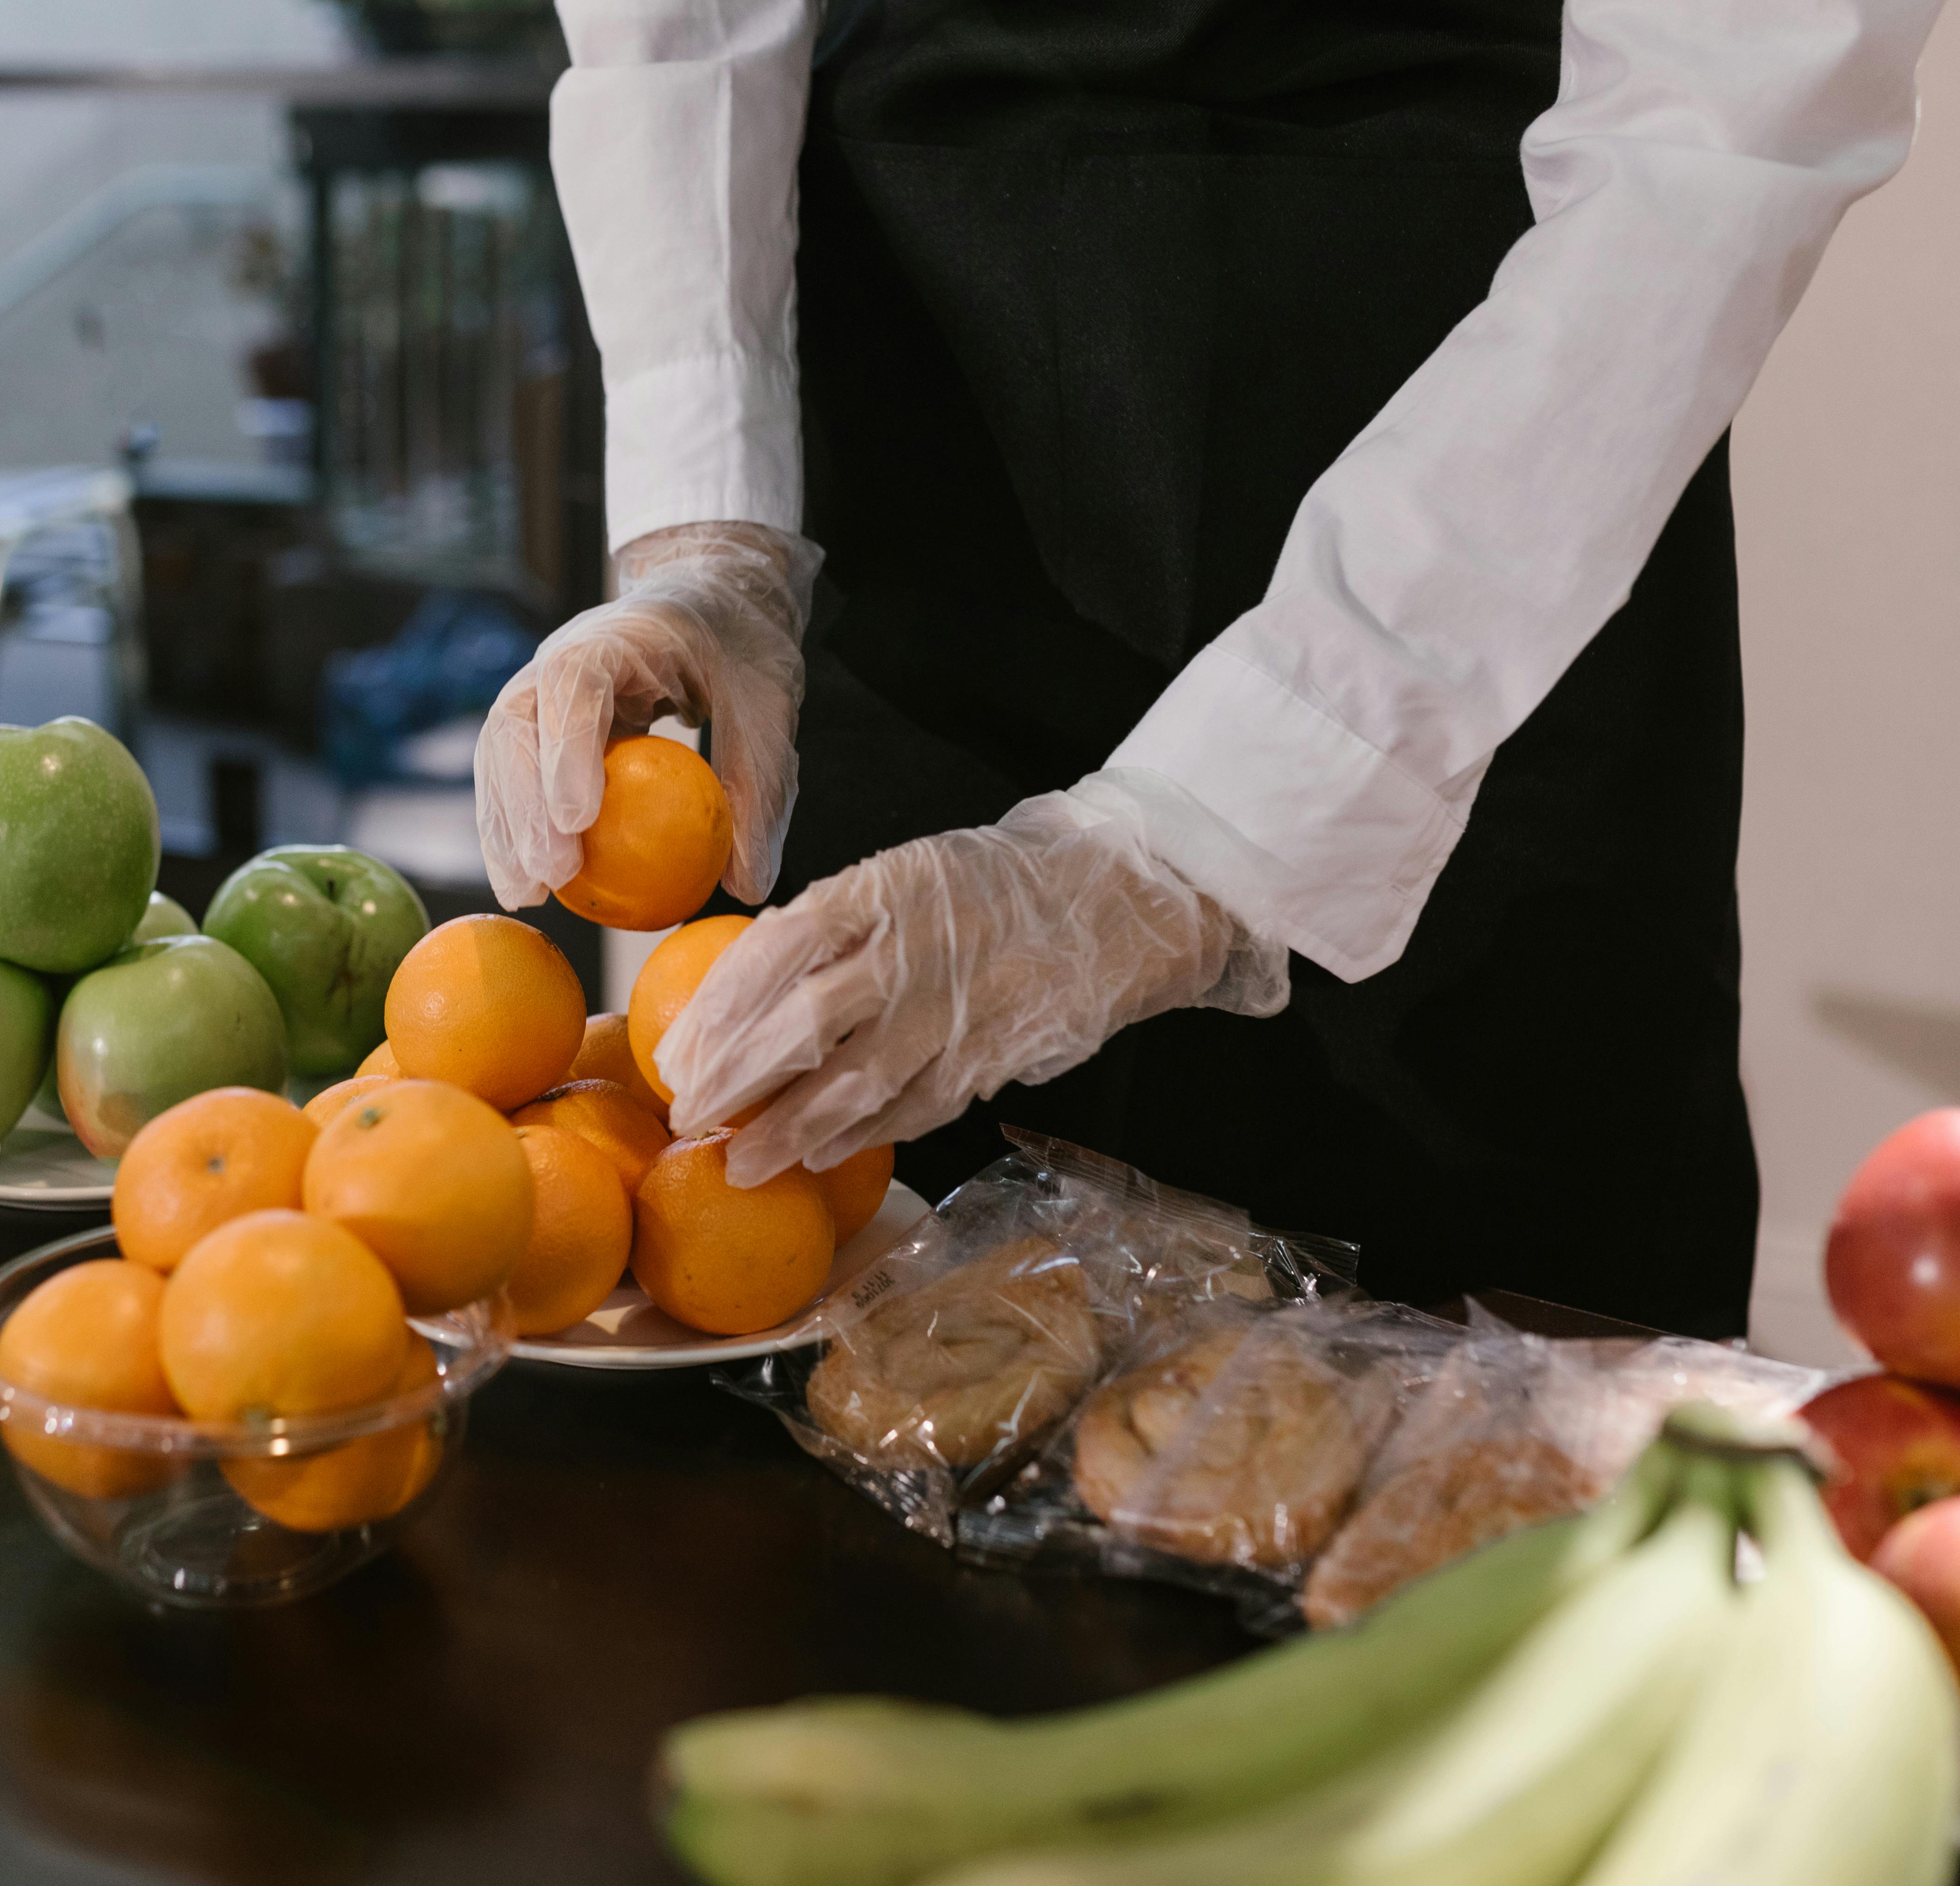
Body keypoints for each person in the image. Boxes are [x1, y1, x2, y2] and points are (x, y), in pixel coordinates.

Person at [475, 0, 1943, 1336]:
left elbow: (1731, 114)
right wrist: (710, 522)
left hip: (1482, 480)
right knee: (871, 1414)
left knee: (1498, 1432)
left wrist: (1223, 829)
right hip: (921, 426)